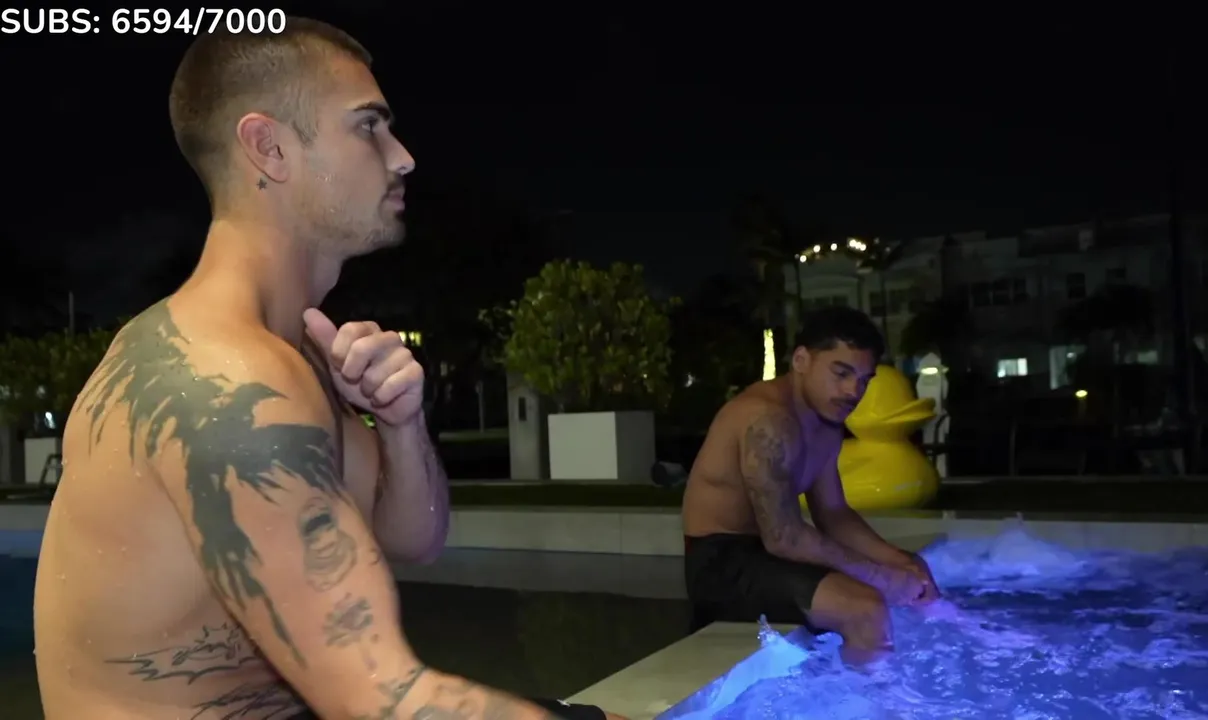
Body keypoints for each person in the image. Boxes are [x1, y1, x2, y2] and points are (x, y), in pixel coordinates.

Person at [33, 18, 622, 720]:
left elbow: (416, 539)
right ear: (269, 148)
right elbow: (381, 701)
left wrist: (399, 425)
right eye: (369, 126)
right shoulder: (225, 379)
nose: (403, 157)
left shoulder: (296, 353)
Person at [682, 306, 941, 665]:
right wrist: (882, 577)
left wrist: (902, 561)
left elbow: (833, 514)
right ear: (801, 360)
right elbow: (783, 537)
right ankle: (869, 698)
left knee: (905, 579)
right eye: (841, 373)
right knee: (864, 609)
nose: (853, 391)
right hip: (721, 563)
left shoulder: (824, 423)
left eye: (864, 380)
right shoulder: (768, 420)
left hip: (766, 556)